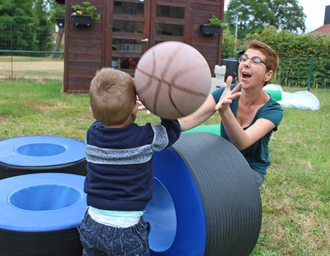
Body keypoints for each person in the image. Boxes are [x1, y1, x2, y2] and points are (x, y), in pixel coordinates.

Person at [78, 67, 181, 256]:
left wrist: (124, 109)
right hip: (127, 232)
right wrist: (162, 107)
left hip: (92, 224)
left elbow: (102, 119)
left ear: (93, 113)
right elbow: (172, 130)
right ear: (135, 107)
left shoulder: (91, 136)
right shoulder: (146, 138)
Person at [178, 39, 283, 187]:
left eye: (255, 61)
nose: (246, 63)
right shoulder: (224, 93)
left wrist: (225, 110)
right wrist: (161, 108)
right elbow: (188, 121)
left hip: (251, 169)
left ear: (268, 75)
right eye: (244, 59)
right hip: (223, 161)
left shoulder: (273, 110)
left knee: (210, 187)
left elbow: (242, 143)